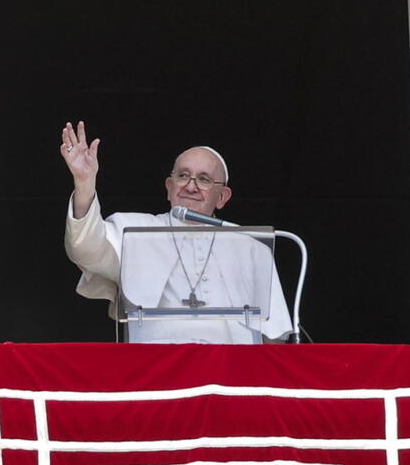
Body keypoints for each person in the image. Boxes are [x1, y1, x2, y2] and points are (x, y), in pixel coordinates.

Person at [61, 121, 292, 343]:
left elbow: (274, 335)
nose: (191, 186)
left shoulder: (250, 246)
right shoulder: (134, 231)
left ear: (222, 197)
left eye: (204, 179)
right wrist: (84, 184)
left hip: (231, 374)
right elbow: (86, 249)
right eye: (183, 176)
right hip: (158, 372)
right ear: (169, 188)